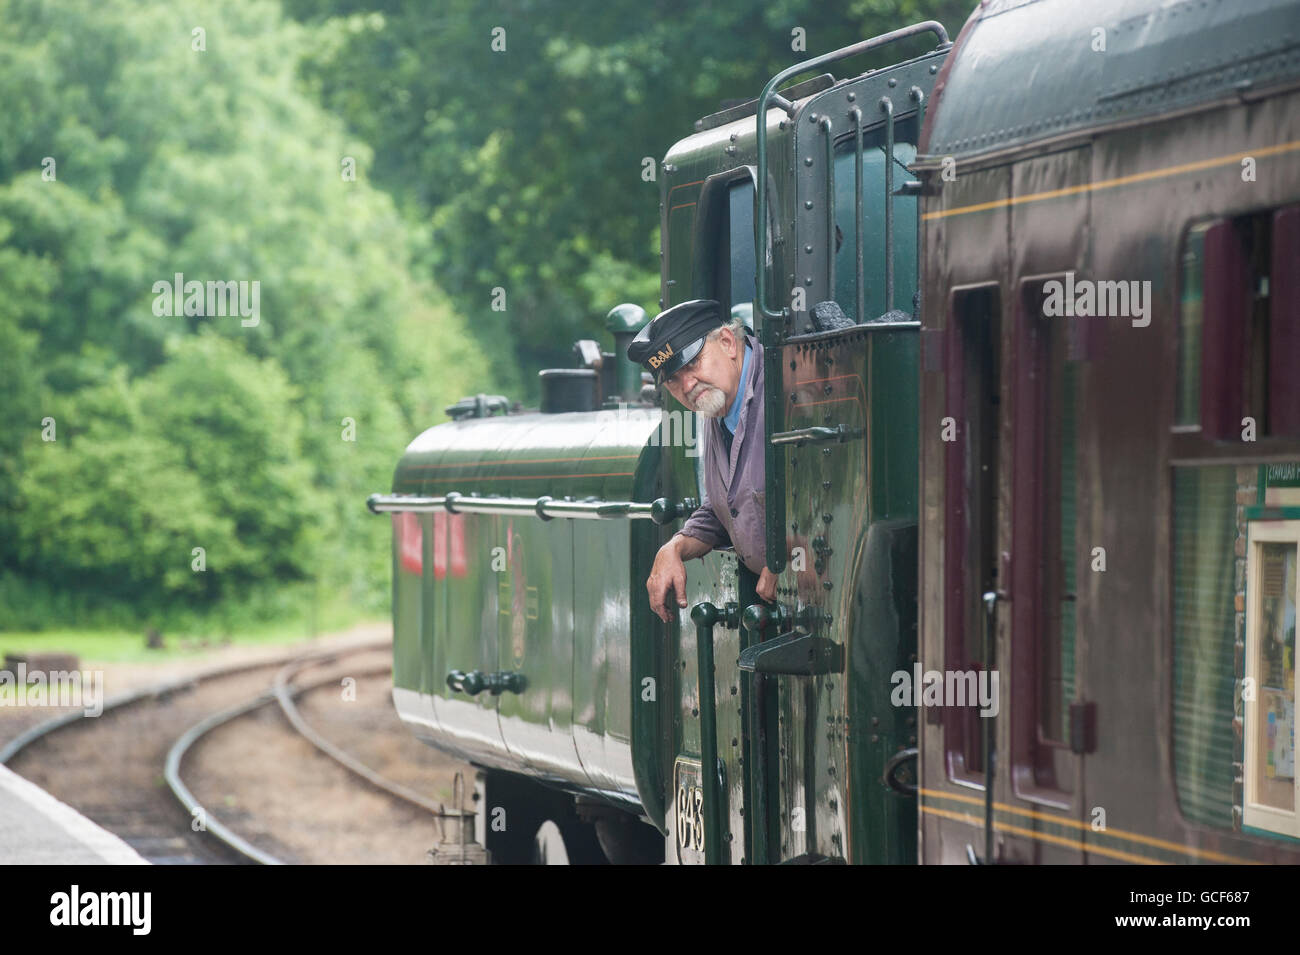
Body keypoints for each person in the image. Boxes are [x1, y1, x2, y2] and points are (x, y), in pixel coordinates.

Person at [626, 298, 777, 622]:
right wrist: (675, 547)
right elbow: (731, 504)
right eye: (673, 380)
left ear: (727, 342)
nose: (687, 385)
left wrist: (790, 560)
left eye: (692, 364)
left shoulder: (786, 388)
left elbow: (835, 493)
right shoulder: (719, 403)